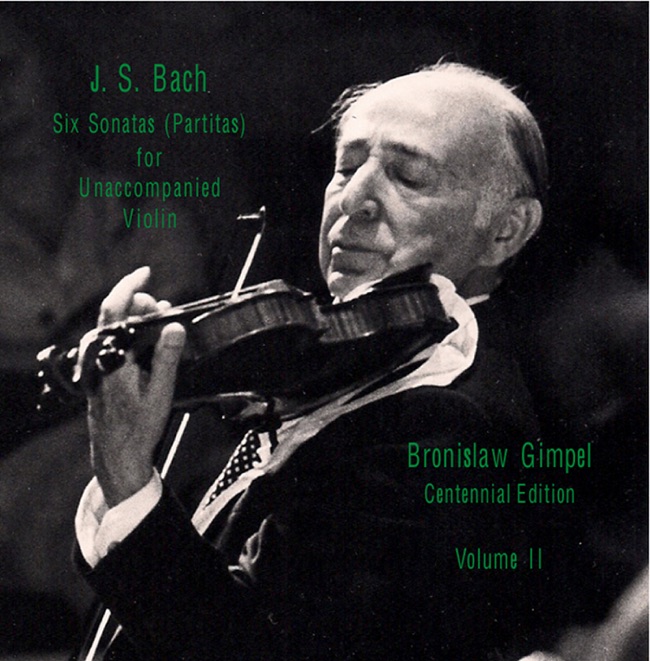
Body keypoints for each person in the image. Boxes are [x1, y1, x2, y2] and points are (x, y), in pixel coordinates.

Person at [74, 64, 582, 660]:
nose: (354, 200)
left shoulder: (449, 420)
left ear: (506, 230)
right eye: (346, 167)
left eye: (409, 176)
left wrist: (129, 479)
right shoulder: (353, 380)